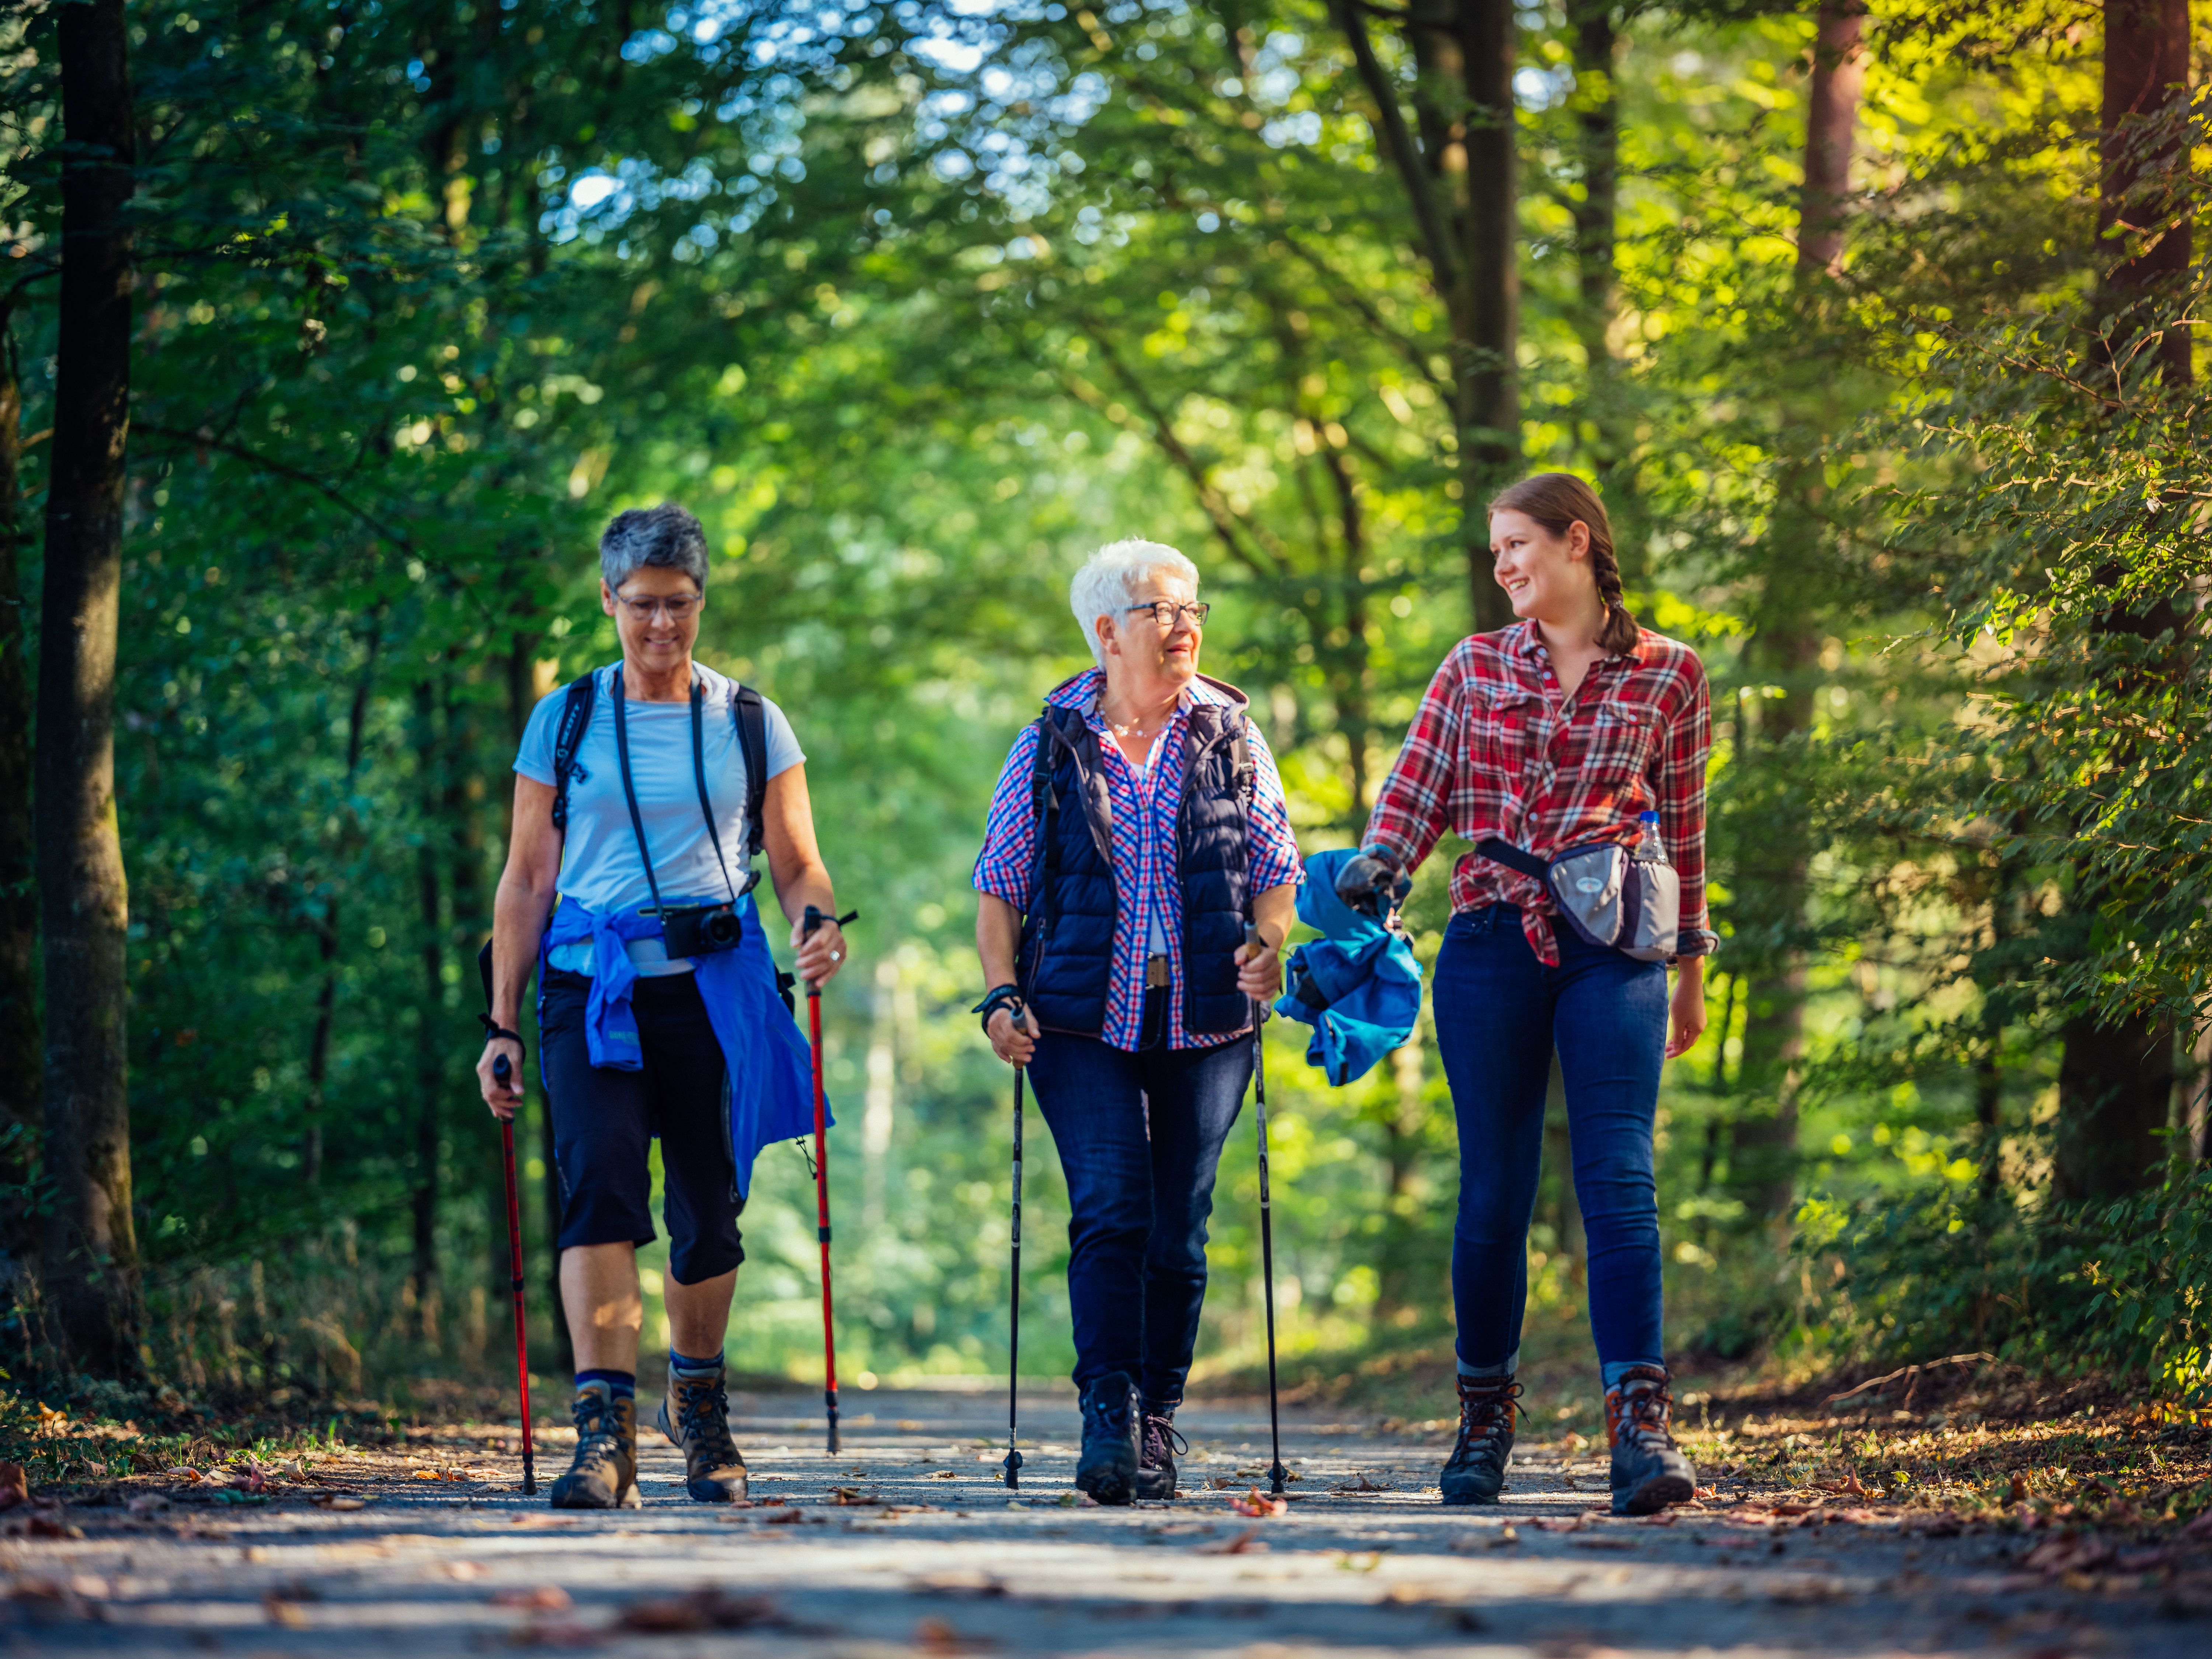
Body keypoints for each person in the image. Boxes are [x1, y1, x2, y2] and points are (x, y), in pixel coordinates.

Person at [1339, 473, 1716, 1516]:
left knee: (1619, 1180)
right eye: (1497, 549)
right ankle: (1483, 1420)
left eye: (1518, 545)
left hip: (1617, 944)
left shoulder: (1670, 675)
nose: (1504, 564)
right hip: (1493, 937)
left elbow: (1684, 830)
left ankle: (1641, 1429)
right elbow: (1415, 789)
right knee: (1494, 1193)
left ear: (1577, 543)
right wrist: (1377, 870)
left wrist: (1690, 971)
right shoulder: (1472, 665)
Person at [476, 503, 850, 1509]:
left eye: (679, 606)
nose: (660, 627)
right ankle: (604, 1433)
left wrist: (816, 922)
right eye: (641, 605)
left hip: (713, 988)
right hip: (587, 990)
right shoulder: (565, 719)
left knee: (710, 1213)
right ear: (607, 600)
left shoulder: (749, 720)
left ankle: (699, 1398)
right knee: (597, 1186)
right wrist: (502, 1024)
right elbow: (524, 880)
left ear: (701, 601)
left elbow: (795, 855)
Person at [972, 538, 1302, 1505]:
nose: (1187, 622)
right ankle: (1106, 1407)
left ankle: (1157, 1412)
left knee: (1179, 1228)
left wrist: (1271, 943)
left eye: (1195, 604)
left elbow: (1276, 869)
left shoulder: (1233, 736)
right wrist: (1000, 992)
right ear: (1108, 630)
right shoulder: (1048, 742)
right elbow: (1000, 885)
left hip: (1207, 1017)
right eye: (1163, 608)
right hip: (1078, 1020)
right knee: (1110, 1206)